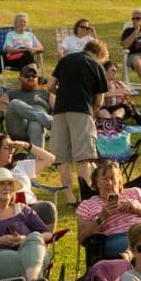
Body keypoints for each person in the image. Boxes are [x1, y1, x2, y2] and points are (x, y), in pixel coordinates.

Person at [49, 36, 109, 187]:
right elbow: (99, 101)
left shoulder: (65, 60)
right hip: (82, 111)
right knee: (84, 158)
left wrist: (63, 95)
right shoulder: (96, 65)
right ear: (99, 54)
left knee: (63, 159)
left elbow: (50, 86)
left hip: (59, 111)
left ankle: (69, 198)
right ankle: (85, 195)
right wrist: (93, 109)